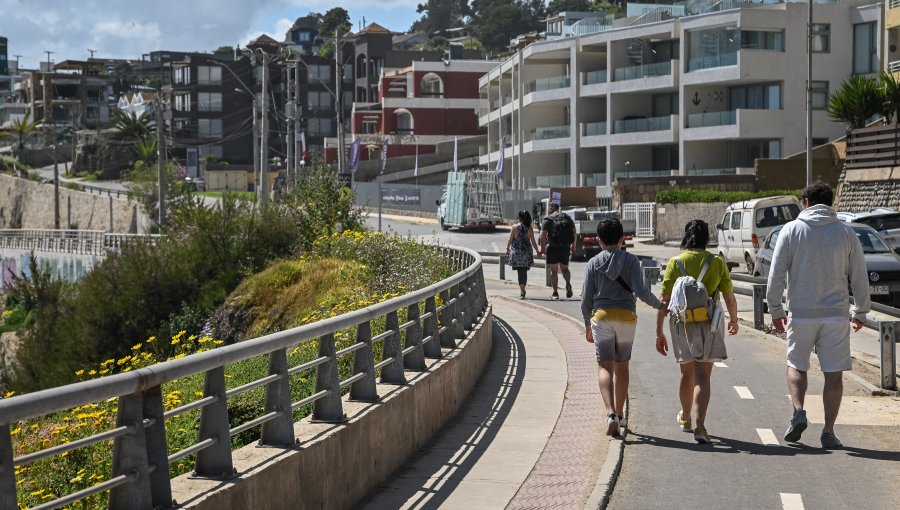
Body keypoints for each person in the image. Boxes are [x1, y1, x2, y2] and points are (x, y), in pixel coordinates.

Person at [766, 183, 869, 449]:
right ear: (830, 203)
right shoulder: (846, 232)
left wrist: (776, 309)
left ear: (806, 202)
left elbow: (776, 273)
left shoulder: (791, 230)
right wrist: (860, 310)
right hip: (835, 315)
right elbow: (859, 275)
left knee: (797, 366)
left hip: (800, 314)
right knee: (834, 375)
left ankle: (799, 411)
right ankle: (828, 432)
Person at [655, 220, 739, 444]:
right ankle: (701, 426)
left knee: (686, 373)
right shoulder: (717, 262)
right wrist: (734, 319)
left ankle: (685, 418)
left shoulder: (675, 262)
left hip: (682, 323)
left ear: (686, 237)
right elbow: (729, 296)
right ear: (706, 238)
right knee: (703, 375)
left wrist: (659, 331)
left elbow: (664, 301)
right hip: (709, 322)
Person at [582, 218, 665, 436]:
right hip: (627, 317)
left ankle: (609, 414)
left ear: (599, 241)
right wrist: (661, 306)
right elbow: (642, 292)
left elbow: (585, 300)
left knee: (605, 367)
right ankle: (619, 414)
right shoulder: (631, 261)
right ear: (622, 239)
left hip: (602, 318)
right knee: (622, 366)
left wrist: (586, 325)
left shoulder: (593, 263)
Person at [541, 202, 576, 300]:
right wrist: (574, 245)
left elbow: (543, 235)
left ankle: (555, 293)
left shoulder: (548, 219)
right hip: (565, 247)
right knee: (565, 269)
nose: (549, 210)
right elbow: (574, 232)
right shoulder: (567, 217)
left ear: (552, 208)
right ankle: (568, 283)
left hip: (553, 247)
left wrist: (543, 249)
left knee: (554, 271)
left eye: (549, 208)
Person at [506, 210, 541, 299]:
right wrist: (537, 251)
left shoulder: (514, 227)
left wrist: (507, 249)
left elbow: (510, 240)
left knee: (519, 272)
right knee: (524, 272)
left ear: (520, 218)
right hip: (526, 254)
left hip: (517, 254)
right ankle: (523, 289)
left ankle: (522, 291)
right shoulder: (529, 228)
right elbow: (533, 241)